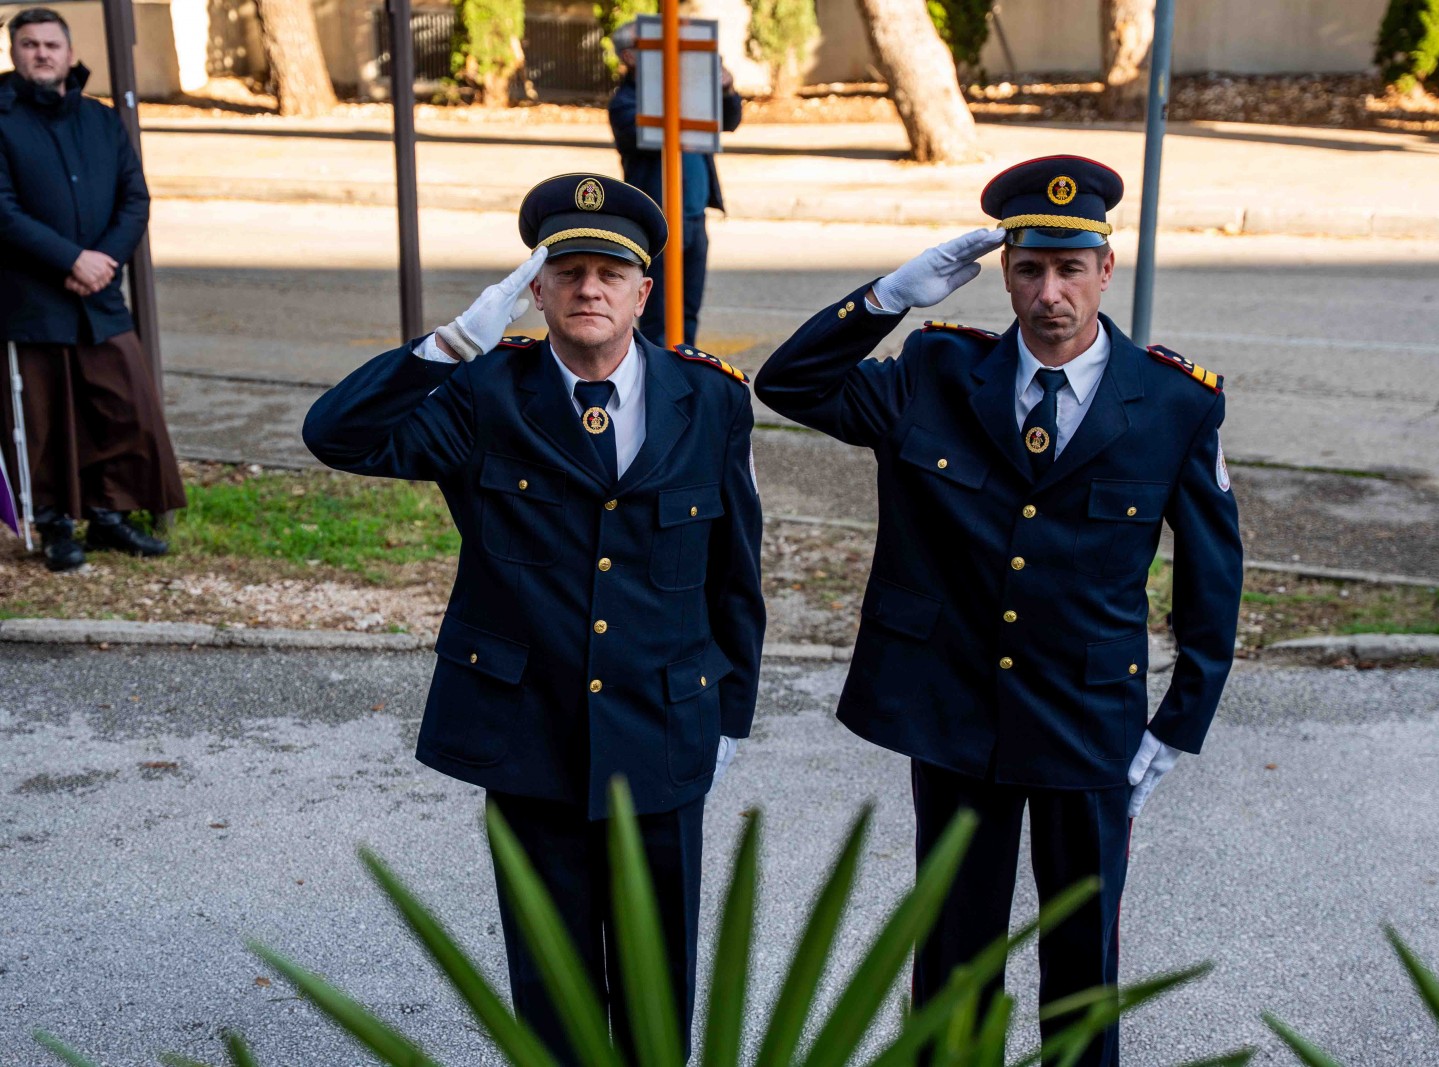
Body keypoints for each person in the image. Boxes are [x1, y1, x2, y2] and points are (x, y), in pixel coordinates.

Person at [754, 156, 1243, 1067]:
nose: (1050, 293)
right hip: (954, 714)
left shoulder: (1174, 403)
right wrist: (892, 296)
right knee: (954, 953)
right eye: (1030, 268)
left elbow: (1214, 577)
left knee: (1083, 962)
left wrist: (1180, 722)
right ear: (1005, 273)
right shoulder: (937, 372)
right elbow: (790, 384)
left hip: (1087, 720)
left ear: (1106, 268)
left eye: (1070, 268)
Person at [301, 172, 764, 1061]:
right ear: (537, 290)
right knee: (551, 990)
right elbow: (337, 434)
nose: (590, 289)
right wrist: (449, 345)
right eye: (568, 272)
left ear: (642, 293)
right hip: (528, 733)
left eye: (610, 273)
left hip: (662, 727)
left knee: (657, 982)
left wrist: (729, 715)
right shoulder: (485, 394)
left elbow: (734, 575)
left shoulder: (708, 399)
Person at [0, 7, 184, 571]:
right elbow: (2, 210)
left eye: (51, 44)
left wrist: (102, 261)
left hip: (101, 297)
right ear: (14, 53)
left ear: (70, 53)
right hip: (32, 299)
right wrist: (70, 259)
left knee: (122, 407)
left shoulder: (101, 120)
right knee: (44, 421)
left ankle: (110, 515)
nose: (41, 53)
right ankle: (56, 524)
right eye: (29, 44)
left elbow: (135, 198)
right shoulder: (1, 119)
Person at [607, 18, 743, 348]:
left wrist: (725, 88)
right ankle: (658, 372)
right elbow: (647, 136)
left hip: (694, 217)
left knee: (689, 310)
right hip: (660, 222)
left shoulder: (686, 94)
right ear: (629, 57)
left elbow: (730, 120)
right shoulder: (625, 102)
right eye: (653, 47)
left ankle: (686, 368)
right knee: (659, 314)